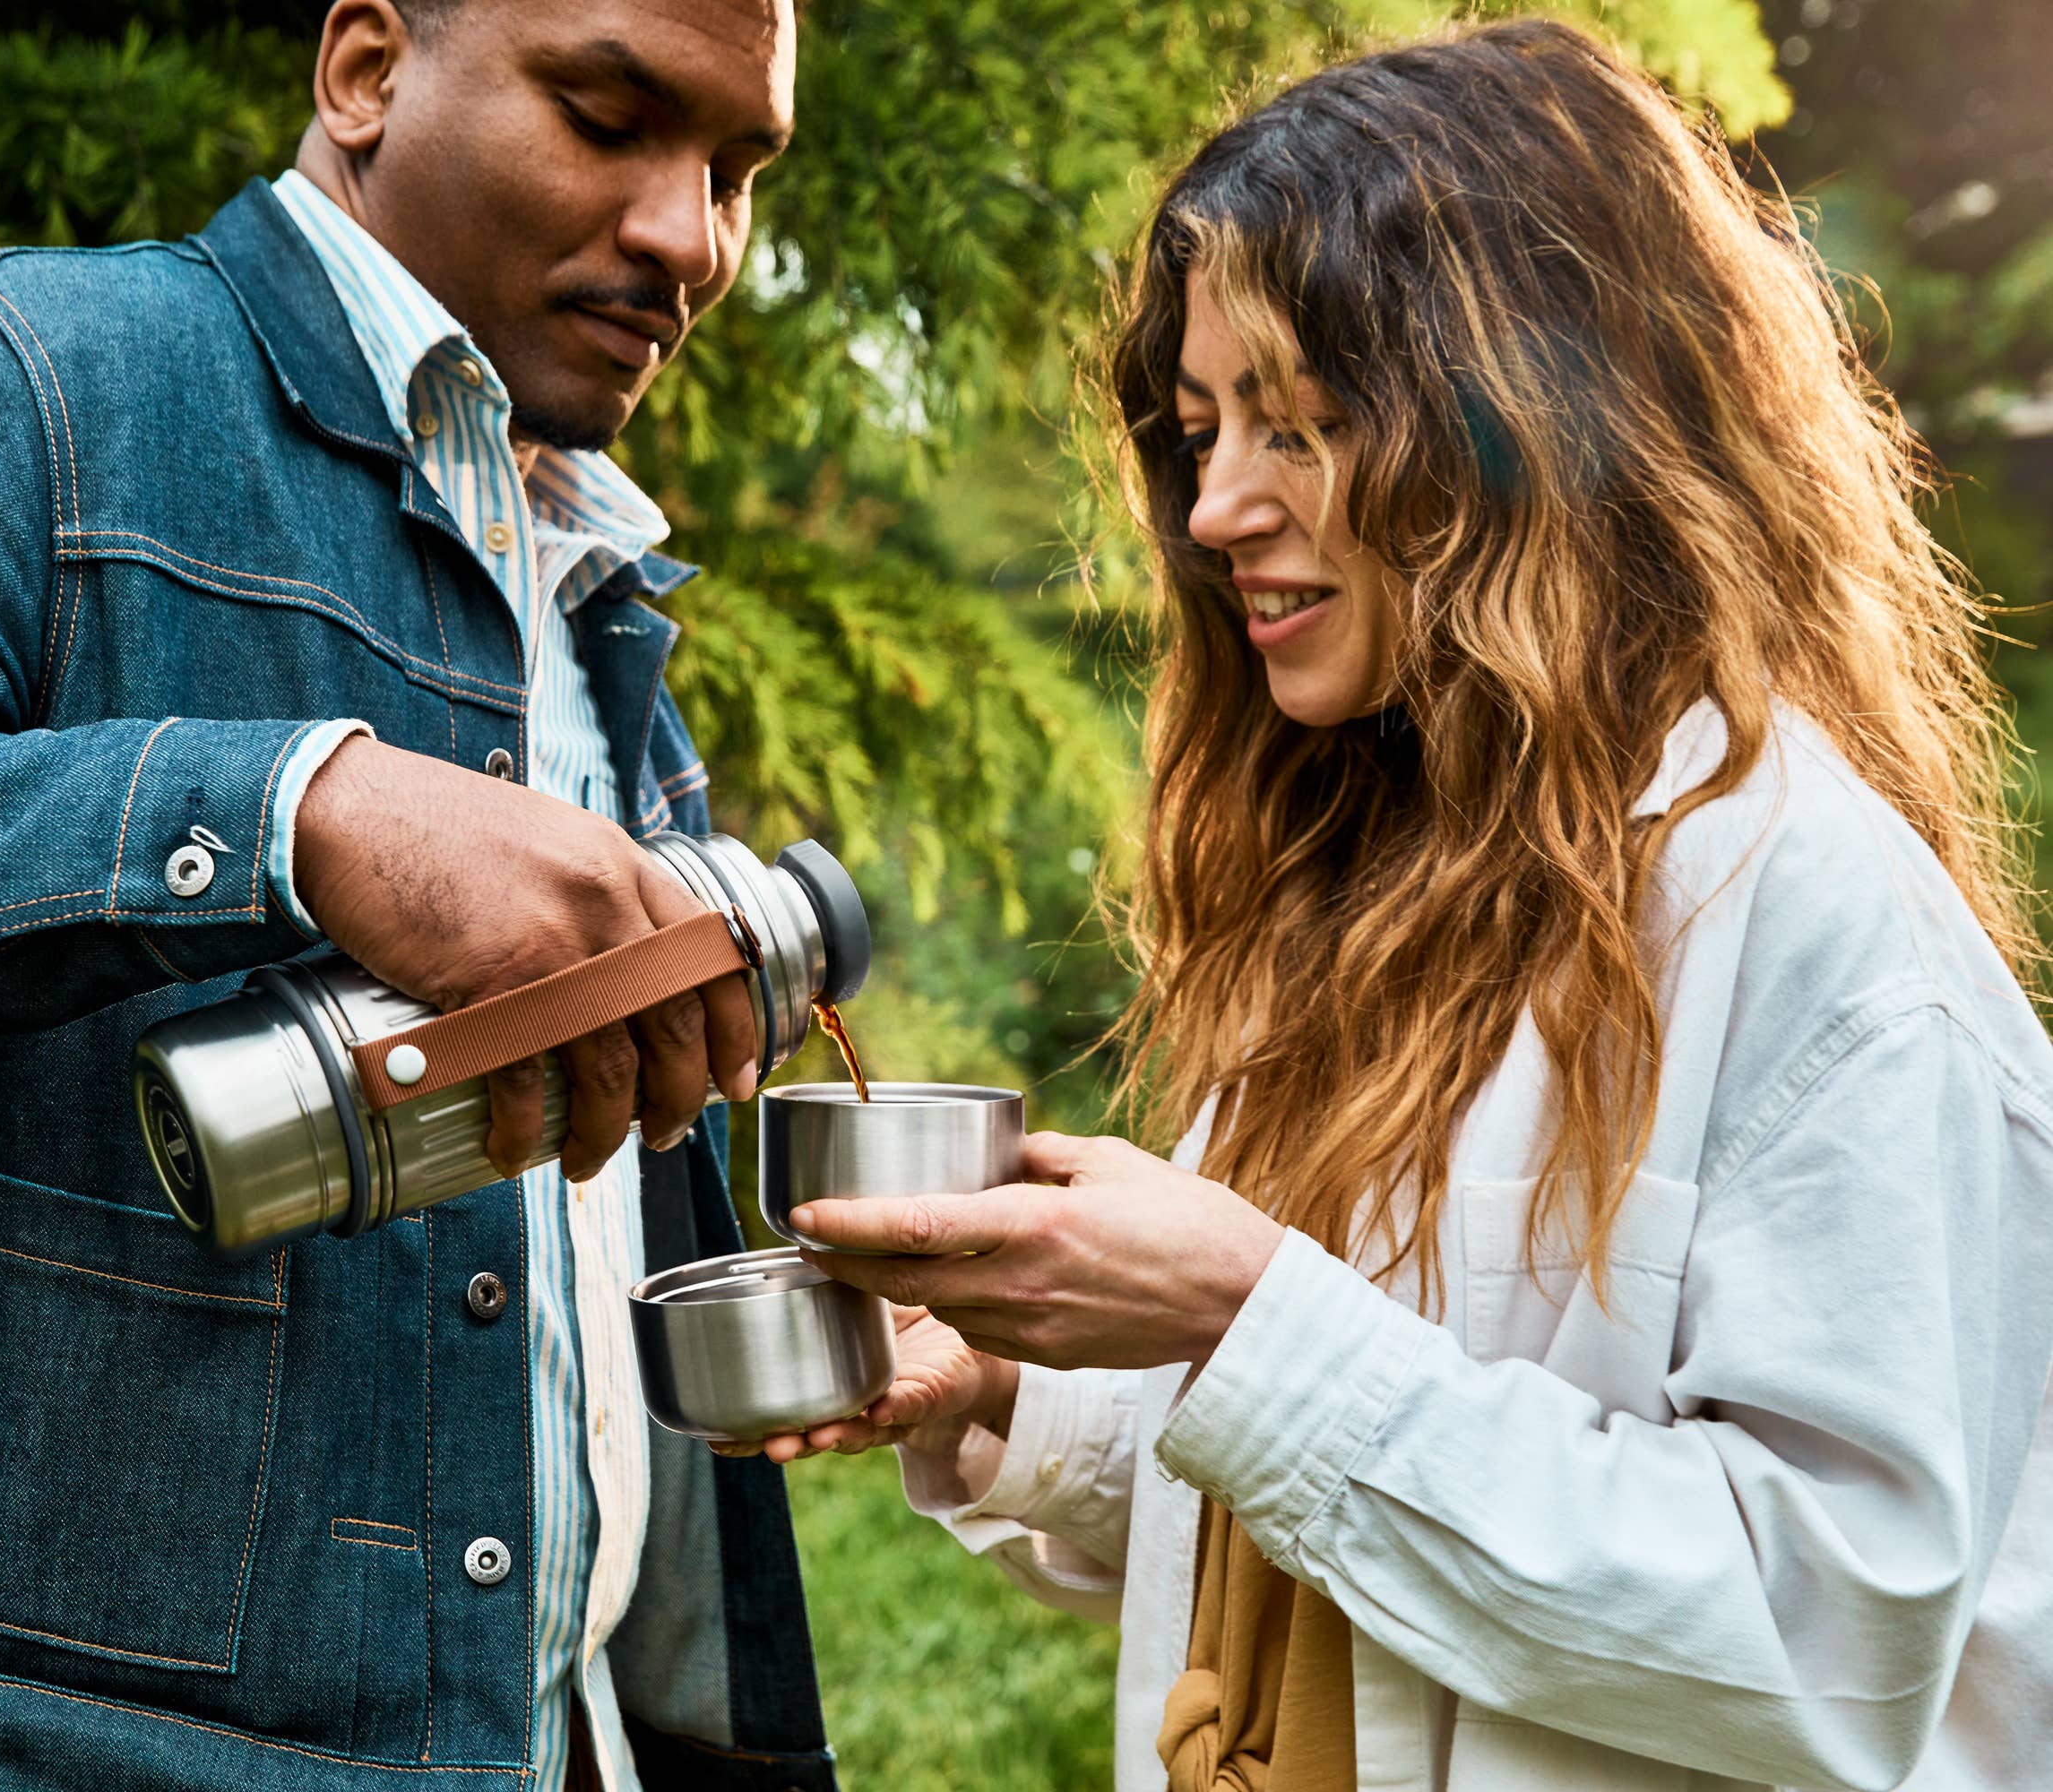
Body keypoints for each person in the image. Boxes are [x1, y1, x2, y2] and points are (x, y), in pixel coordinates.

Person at [0, 3, 831, 1789]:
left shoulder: (591, 575)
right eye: (608, 117)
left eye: (735, 172)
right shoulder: (37, 379)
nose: (690, 236)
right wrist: (286, 807)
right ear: (364, 73)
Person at [753, 21, 2053, 1792]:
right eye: (1202, 428)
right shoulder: (1367, 908)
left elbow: (1827, 1637)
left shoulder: (1822, 931)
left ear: (1534, 418)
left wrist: (1240, 1309)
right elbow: (1323, 1511)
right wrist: (1015, 1396)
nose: (1214, 508)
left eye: (1301, 423)